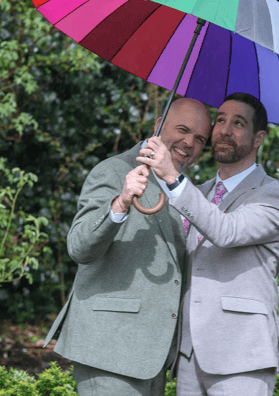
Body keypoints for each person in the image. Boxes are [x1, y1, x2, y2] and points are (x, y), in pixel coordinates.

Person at [43, 98, 212, 396]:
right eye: (183, 129)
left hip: (155, 356)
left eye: (199, 138)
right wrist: (120, 202)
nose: (189, 142)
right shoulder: (113, 170)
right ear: (159, 123)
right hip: (109, 350)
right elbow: (80, 247)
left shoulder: (185, 189)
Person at [138, 92, 279, 396]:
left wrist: (170, 173)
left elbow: (226, 231)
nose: (224, 129)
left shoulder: (272, 196)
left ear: (258, 137)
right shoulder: (198, 192)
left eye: (238, 123)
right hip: (188, 355)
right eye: (220, 120)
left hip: (241, 355)